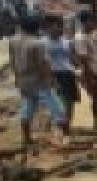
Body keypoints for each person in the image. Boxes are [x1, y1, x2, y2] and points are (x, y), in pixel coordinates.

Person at [9, 15, 68, 152]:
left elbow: (12, 61)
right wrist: (53, 81)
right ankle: (65, 137)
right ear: (36, 28)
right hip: (39, 81)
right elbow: (44, 64)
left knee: (28, 108)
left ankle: (27, 138)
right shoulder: (37, 43)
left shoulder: (13, 41)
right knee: (57, 109)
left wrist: (17, 79)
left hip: (23, 80)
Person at [44, 16, 79, 124]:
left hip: (68, 74)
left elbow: (73, 58)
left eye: (61, 26)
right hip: (53, 74)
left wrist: (78, 68)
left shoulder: (67, 42)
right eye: (58, 26)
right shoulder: (42, 43)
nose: (60, 28)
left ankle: (67, 125)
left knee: (69, 100)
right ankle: (57, 124)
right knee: (56, 101)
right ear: (48, 27)